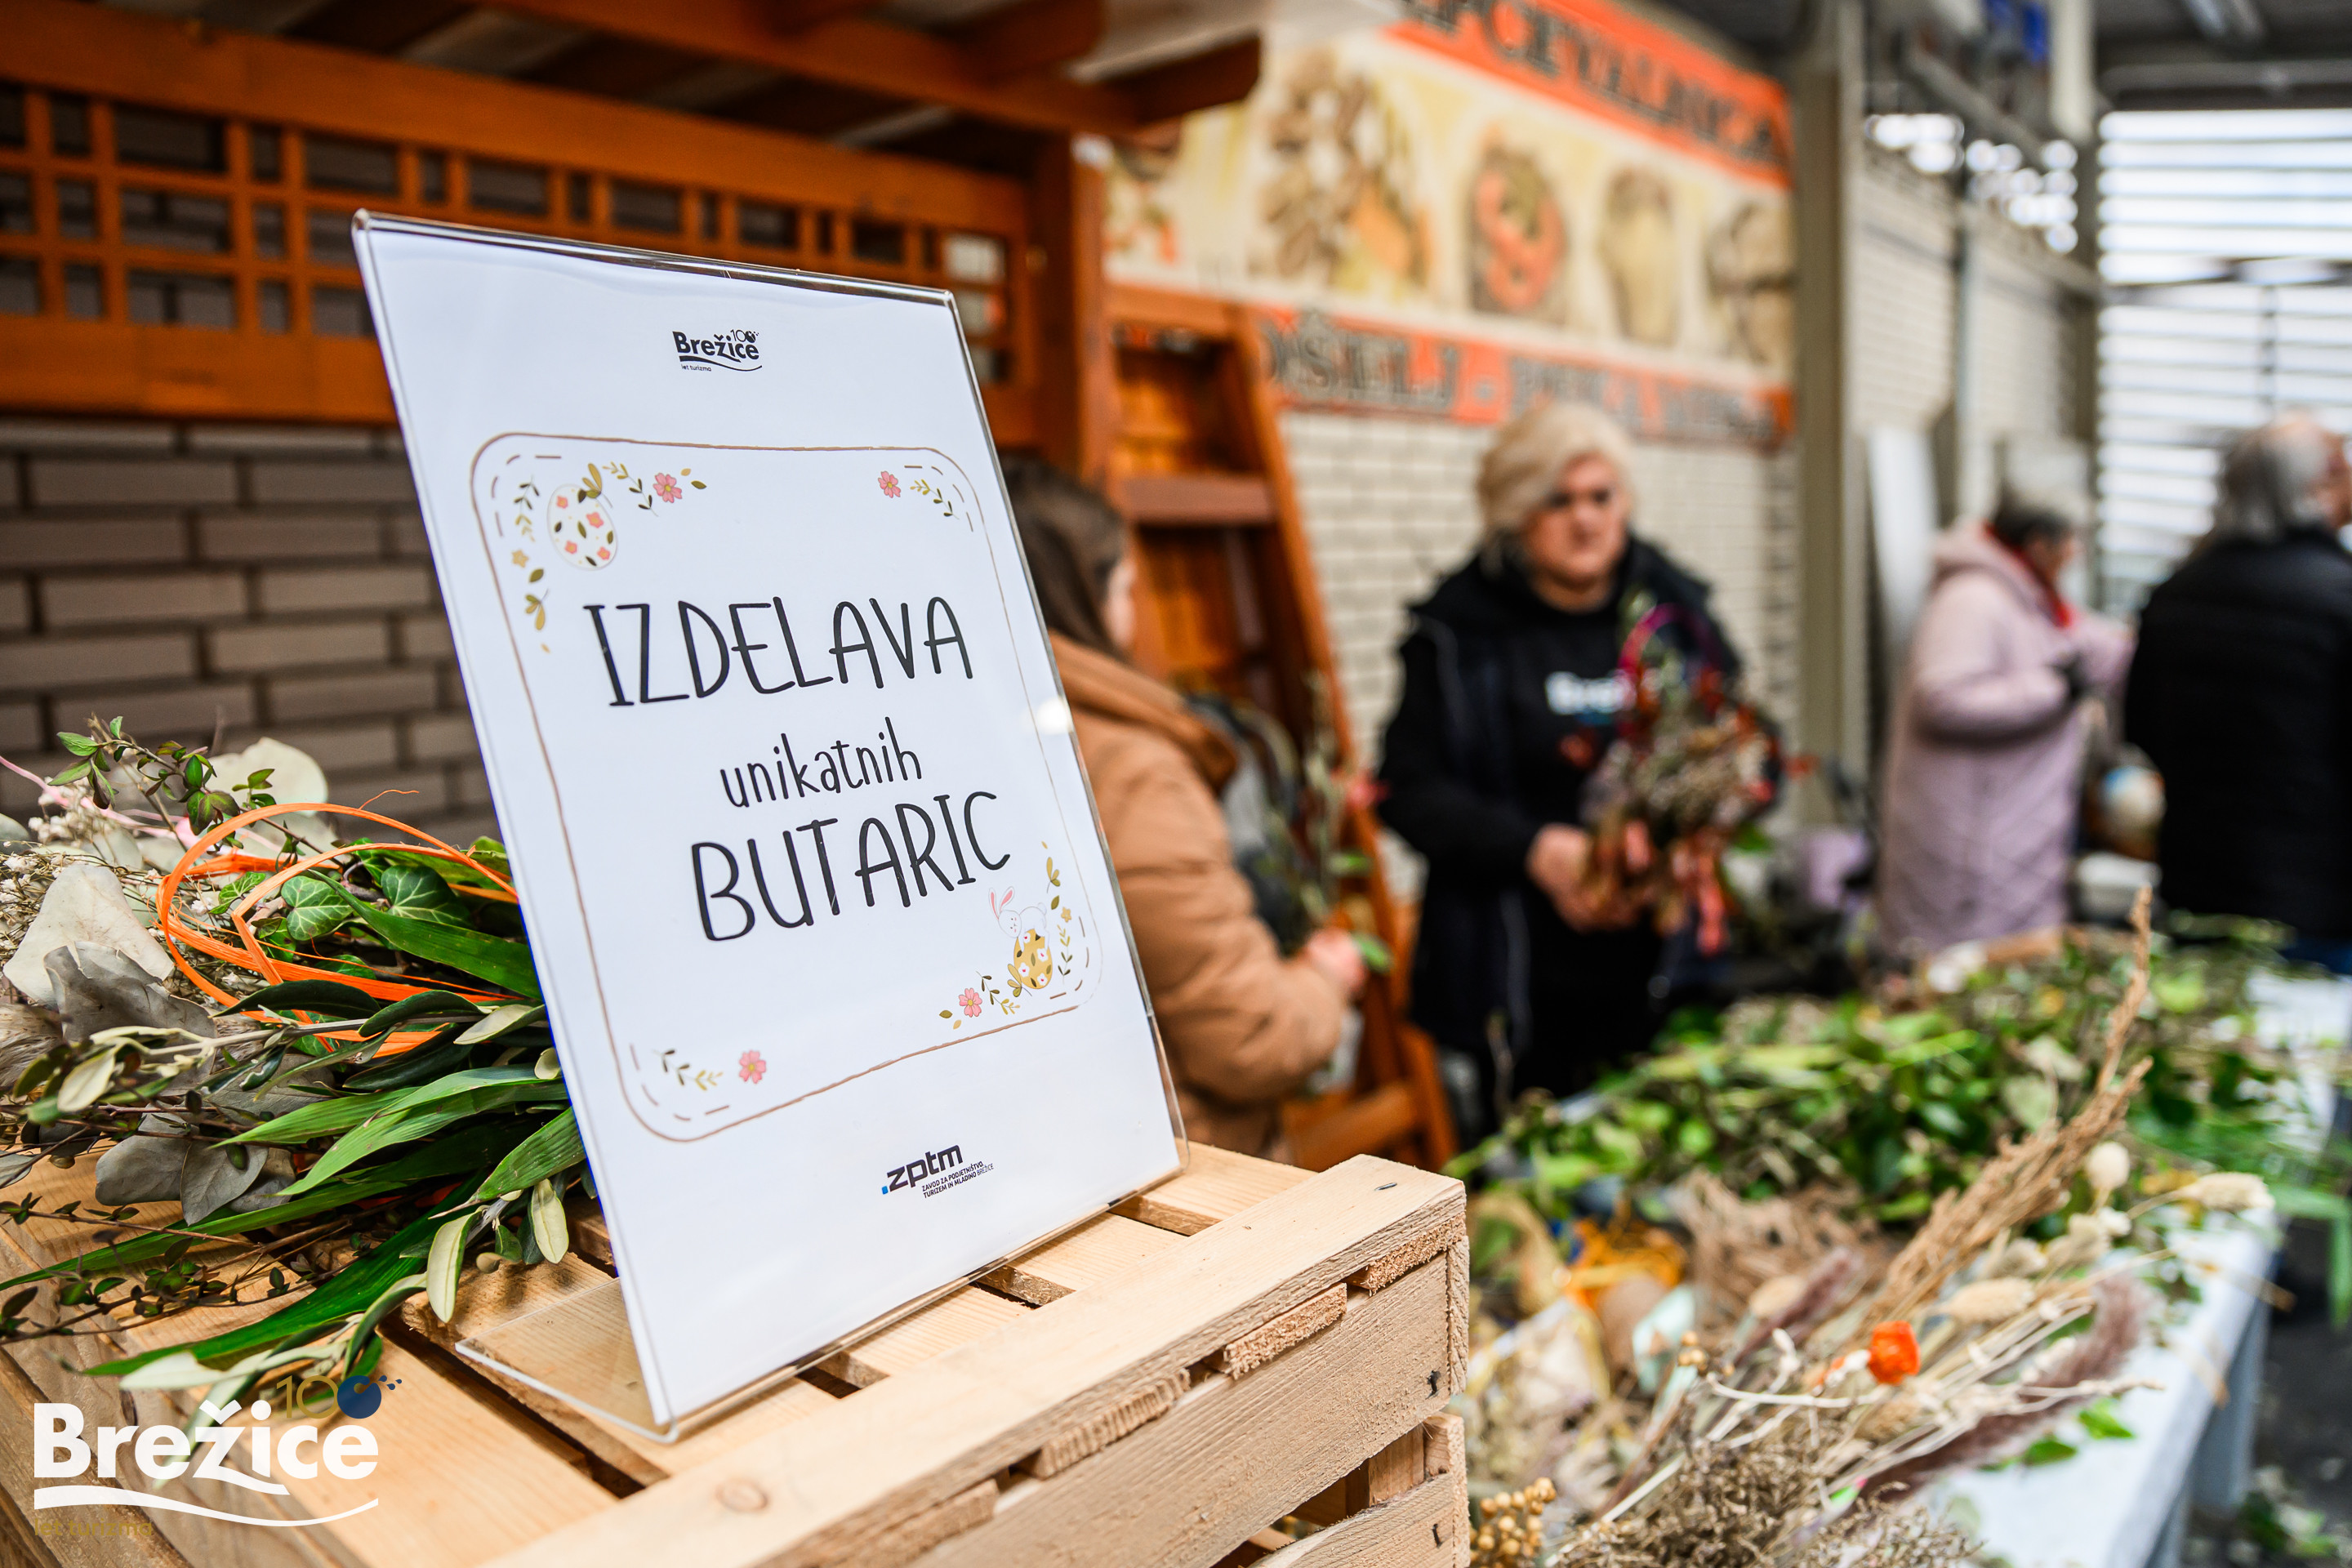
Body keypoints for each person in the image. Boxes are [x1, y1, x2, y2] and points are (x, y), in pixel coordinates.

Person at [1375, 402, 1748, 1127]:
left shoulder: (1677, 616)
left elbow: (1744, 753)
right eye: (1558, 500)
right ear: (1515, 513)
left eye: (1601, 497)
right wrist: (1536, 851)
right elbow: (1406, 789)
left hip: (1663, 969)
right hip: (1516, 978)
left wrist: (1682, 845)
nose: (1585, 520)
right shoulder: (1458, 634)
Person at [1002, 457, 1366, 1159]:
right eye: (1129, 588)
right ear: (1091, 595)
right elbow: (1247, 1035)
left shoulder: (961, 735)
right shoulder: (1132, 772)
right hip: (1174, 1169)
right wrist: (1326, 979)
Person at [2126, 415, 2352, 969]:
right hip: (2318, 895)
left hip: (2197, 883)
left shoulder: (2177, 592)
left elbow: (2142, 729)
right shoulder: (2340, 596)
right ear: (2315, 487)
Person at [1875, 492, 2132, 956]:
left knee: (2008, 975)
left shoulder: (2032, 597)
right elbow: (1943, 697)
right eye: (2069, 544)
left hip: (2013, 829)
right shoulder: (1972, 600)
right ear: (2037, 545)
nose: (2074, 556)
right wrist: (2055, 690)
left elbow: (2088, 647)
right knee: (1957, 974)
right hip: (1972, 840)